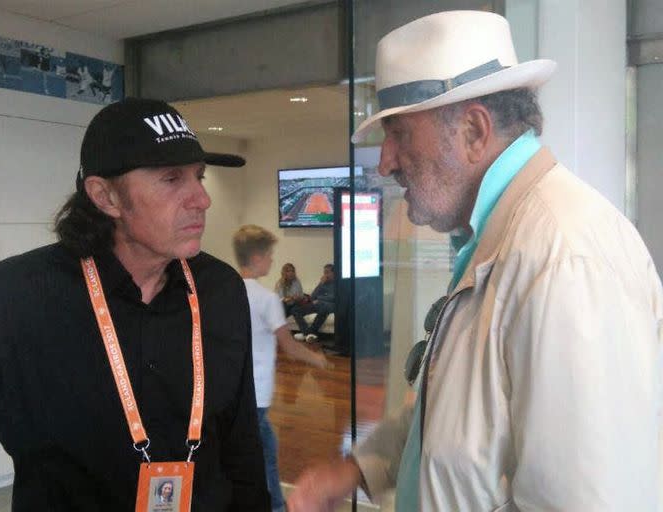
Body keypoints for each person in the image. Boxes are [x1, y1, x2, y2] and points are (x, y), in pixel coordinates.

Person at [288, 10, 662, 512]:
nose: (386, 161)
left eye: (399, 134)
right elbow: (449, 420)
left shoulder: (563, 258)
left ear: (473, 131)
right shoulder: (504, 240)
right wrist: (354, 470)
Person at [0, 98, 271, 511]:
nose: (201, 199)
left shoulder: (220, 289)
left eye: (198, 177)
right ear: (105, 196)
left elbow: (241, 446)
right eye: (171, 178)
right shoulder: (9, 298)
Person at [233, 225, 331, 512]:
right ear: (257, 256)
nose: (273, 261)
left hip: (234, 394)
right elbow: (289, 346)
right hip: (258, 398)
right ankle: (276, 507)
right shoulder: (267, 299)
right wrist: (317, 359)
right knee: (267, 460)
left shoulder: (228, 292)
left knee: (245, 456)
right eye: (270, 255)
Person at [290, 263, 335, 343]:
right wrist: (320, 284)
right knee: (295, 310)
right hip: (317, 304)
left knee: (323, 308)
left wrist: (320, 299)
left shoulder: (338, 284)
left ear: (334, 273)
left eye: (327, 272)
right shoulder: (323, 283)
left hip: (330, 305)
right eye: (324, 272)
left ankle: (307, 333)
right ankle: (307, 333)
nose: (325, 275)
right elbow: (313, 297)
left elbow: (334, 297)